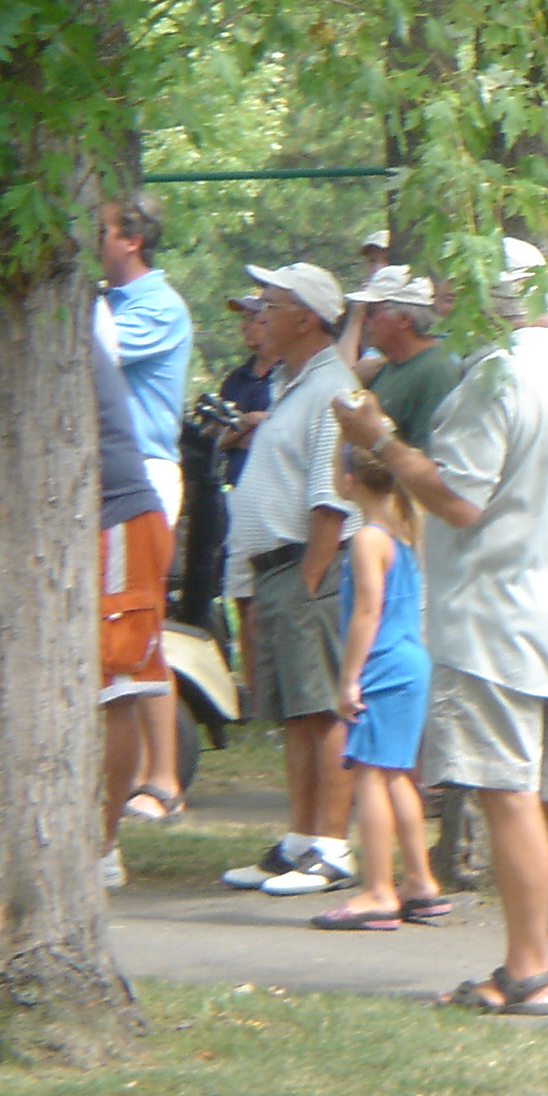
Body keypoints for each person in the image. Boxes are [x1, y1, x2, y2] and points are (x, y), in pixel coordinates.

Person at [333, 248, 548, 1015]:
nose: (439, 307)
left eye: (448, 292)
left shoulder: (493, 378)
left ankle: (526, 971)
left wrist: (381, 440)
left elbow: (459, 500)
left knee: (509, 793)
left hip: (495, 617)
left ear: (479, 301)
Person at [219, 263, 363, 896]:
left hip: (311, 565)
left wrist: (311, 580)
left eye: (271, 304)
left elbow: (331, 497)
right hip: (280, 571)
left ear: (306, 317)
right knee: (298, 714)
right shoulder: (291, 384)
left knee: (324, 707)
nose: (259, 314)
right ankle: (301, 838)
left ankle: (333, 846)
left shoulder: (333, 389)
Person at [306, 441, 445, 930]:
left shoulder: (367, 538)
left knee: (368, 778)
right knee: (395, 775)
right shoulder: (404, 530)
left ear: (349, 481)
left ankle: (379, 890)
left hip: (382, 664)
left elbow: (368, 610)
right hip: (411, 662)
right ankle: (420, 882)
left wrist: (349, 677)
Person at [93, 191, 195, 826]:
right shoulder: (109, 304)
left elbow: (93, 352)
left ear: (131, 238)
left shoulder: (158, 306)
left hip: (143, 479)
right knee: (116, 633)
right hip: (106, 483)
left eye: (99, 230)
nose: (90, 241)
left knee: (136, 633)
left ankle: (160, 778)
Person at [91, 335, 172, 890]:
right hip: (87, 521)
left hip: (118, 519)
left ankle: (102, 845)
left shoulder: (60, 329)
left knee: (113, 686)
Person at [345, 265, 465, 448]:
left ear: (404, 319)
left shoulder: (437, 371)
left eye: (372, 311)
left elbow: (431, 459)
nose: (365, 321)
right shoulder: (389, 365)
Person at [214, 290, 278, 489]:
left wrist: (237, 430)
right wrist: (251, 420)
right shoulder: (235, 380)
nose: (243, 326)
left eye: (251, 318)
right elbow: (216, 438)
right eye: (243, 319)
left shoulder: (291, 376)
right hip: (233, 486)